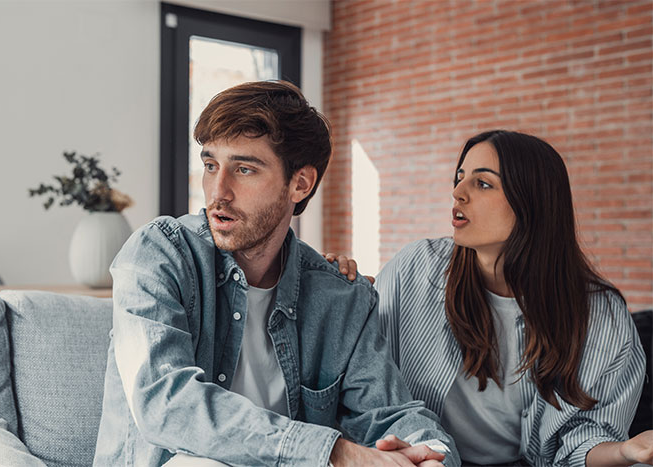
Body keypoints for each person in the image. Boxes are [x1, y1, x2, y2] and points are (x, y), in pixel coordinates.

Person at [93, 80, 459, 467]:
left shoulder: (340, 297)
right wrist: (332, 452)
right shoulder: (158, 255)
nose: (218, 192)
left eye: (245, 169)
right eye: (210, 165)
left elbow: (390, 413)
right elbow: (166, 404)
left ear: (300, 183)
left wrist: (432, 457)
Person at [329, 130, 652, 466]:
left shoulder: (600, 313)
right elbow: (360, 373)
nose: (457, 193)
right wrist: (335, 293)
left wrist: (627, 450)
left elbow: (580, 442)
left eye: (482, 184)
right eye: (459, 178)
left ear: (533, 201)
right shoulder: (415, 268)